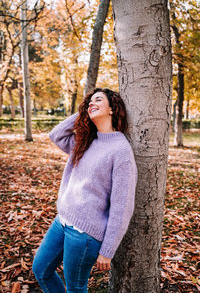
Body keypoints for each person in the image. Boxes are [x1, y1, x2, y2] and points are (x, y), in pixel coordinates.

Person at [32, 88, 138, 293]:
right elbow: (56, 135)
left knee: (75, 288)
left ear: (112, 109)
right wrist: (83, 113)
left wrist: (107, 251)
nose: (91, 103)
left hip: (85, 235)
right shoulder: (86, 140)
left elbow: (122, 206)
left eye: (98, 99)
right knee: (41, 269)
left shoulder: (121, 151)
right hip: (62, 221)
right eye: (89, 101)